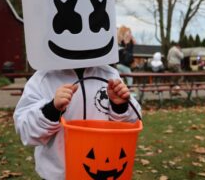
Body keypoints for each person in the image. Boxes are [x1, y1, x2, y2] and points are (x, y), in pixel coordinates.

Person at [13, 67, 141, 179]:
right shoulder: (43, 79)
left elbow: (131, 126)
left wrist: (120, 106)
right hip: (59, 176)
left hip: (105, 166)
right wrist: (51, 109)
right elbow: (27, 132)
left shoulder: (109, 74)